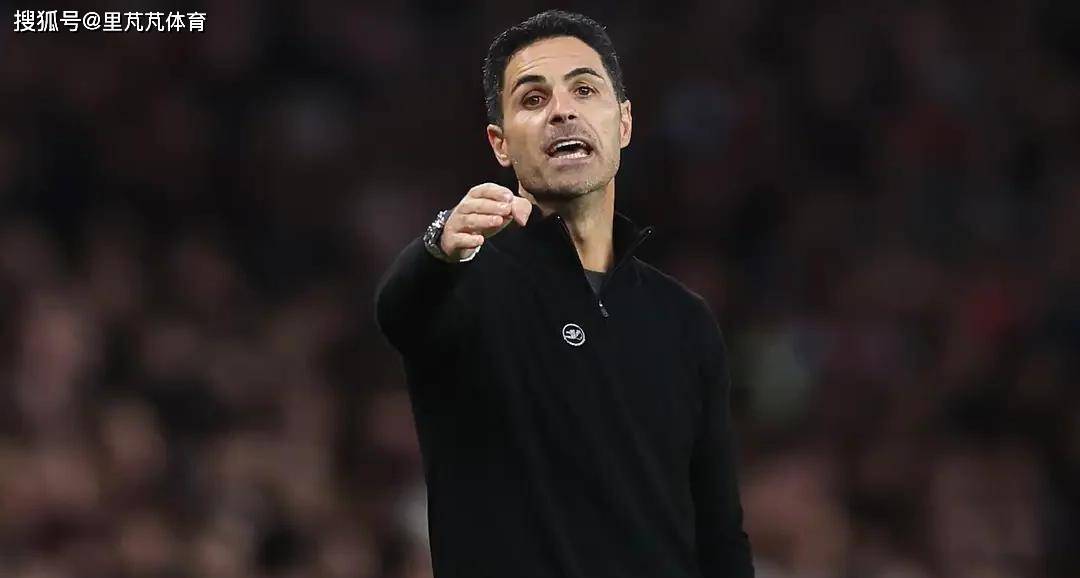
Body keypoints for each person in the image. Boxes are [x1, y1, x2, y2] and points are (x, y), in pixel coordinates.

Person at [375, 10, 754, 578]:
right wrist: (438, 246)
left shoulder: (684, 319)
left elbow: (719, 532)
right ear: (500, 145)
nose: (562, 110)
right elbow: (398, 312)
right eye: (533, 99)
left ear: (623, 124)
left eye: (584, 89)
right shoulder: (462, 285)